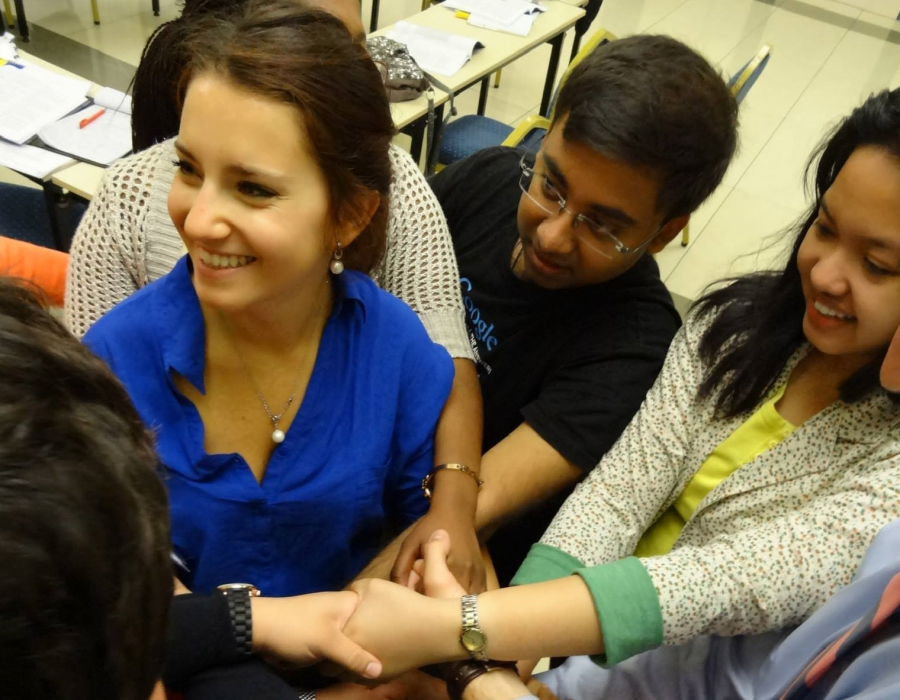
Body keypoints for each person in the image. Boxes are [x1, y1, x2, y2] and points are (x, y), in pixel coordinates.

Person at [321, 87, 900, 700]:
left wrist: (463, 634)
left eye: (879, 266)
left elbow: (727, 582)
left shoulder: (636, 337)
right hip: (563, 656)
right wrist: (497, 649)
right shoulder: (733, 327)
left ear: (664, 231)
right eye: (826, 228)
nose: (827, 274)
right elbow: (617, 496)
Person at [65, 0, 485, 591]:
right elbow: (98, 583)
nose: (200, 220)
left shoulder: (393, 349)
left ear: (351, 216)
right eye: (188, 169)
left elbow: (421, 548)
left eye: (254, 188)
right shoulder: (114, 360)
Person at [412, 34, 739, 586]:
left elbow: (460, 517)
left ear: (664, 233)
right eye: (550, 186)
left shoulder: (634, 347)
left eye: (603, 226)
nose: (554, 235)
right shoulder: (486, 177)